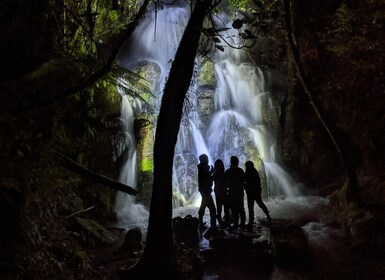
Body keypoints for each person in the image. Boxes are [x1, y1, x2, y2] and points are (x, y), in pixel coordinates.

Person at [244, 161, 271, 228]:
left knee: (251, 207)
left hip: (252, 192)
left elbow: (246, 181)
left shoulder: (249, 172)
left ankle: (251, 221)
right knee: (259, 204)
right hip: (255, 192)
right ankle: (268, 216)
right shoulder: (254, 171)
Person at [224, 156, 246, 229]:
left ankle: (236, 224)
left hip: (232, 192)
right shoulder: (240, 171)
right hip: (239, 192)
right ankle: (242, 223)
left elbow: (225, 183)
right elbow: (244, 181)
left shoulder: (228, 171)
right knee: (240, 208)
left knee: (234, 209)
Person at [197, 154, 216, 229]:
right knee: (212, 208)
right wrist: (212, 173)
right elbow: (207, 179)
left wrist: (210, 172)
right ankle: (213, 226)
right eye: (207, 159)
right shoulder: (203, 169)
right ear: (204, 160)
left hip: (203, 190)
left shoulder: (202, 168)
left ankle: (200, 222)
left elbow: (206, 178)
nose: (208, 160)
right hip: (206, 191)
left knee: (203, 205)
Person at [212, 159, 229, 226]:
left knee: (219, 208)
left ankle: (220, 221)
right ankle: (226, 221)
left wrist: (212, 171)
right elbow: (228, 183)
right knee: (226, 207)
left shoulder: (215, 174)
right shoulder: (224, 174)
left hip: (218, 193)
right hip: (224, 192)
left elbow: (210, 179)